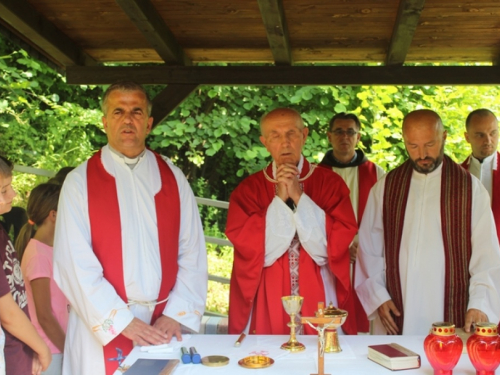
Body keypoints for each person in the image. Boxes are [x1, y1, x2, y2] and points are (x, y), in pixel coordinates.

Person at [53, 82, 208, 375]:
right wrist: (122, 321)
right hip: (102, 326)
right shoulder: (80, 182)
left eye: (136, 112)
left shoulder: (173, 178)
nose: (128, 119)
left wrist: (176, 314)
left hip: (164, 323)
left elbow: (192, 251)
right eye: (118, 111)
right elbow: (74, 262)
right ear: (105, 122)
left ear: (148, 123)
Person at [356, 109, 500, 336]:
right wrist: (378, 297)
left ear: (443, 136)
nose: (422, 154)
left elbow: (487, 256)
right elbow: (368, 249)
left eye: (430, 144)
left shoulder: (469, 189)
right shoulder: (386, 187)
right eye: (413, 146)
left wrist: (479, 303)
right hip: (397, 311)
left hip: (455, 313)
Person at [226, 108, 358, 336]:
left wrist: (298, 196)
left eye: (291, 134)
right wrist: (279, 199)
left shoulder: (329, 184)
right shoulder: (248, 190)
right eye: (275, 136)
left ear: (304, 135)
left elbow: (330, 249)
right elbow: (254, 252)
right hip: (269, 292)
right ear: (265, 142)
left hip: (319, 289)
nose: (284, 142)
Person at [319, 112, 384, 333]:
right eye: (338, 131)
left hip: (366, 258)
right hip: (329, 256)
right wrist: (342, 245)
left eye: (350, 132)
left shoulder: (377, 174)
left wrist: (363, 245)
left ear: (358, 137)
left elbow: (385, 220)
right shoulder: (315, 175)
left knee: (364, 324)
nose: (344, 137)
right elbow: (311, 220)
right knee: (331, 320)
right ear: (329, 136)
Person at [0, 156, 51, 374]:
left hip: (17, 351)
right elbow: (7, 312)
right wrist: (42, 348)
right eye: (3, 190)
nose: (13, 194)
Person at [18, 183, 68, 375]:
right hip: (49, 350)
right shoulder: (38, 254)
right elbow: (44, 316)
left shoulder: (49, 249)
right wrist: (68, 349)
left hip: (55, 346)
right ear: (53, 215)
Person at [460, 109, 500, 242]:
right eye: (480, 135)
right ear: (467, 137)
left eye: (493, 133)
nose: (488, 140)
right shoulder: (455, 176)